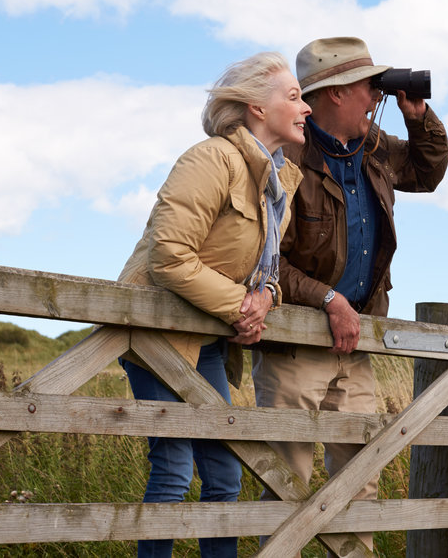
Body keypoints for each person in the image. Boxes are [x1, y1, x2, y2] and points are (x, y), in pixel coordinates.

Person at [251, 36, 448, 554]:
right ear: (336, 93)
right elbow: (268, 258)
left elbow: (426, 172)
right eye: (369, 85)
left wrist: (417, 117)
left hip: (354, 345)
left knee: (360, 479)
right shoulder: (287, 154)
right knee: (283, 480)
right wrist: (328, 300)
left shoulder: (373, 145)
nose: (375, 95)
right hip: (294, 344)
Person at [118, 51, 310, 558]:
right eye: (293, 96)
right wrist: (241, 306)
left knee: (224, 472)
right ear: (254, 107)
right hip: (155, 334)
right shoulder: (211, 159)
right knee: (175, 468)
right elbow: (169, 257)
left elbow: (267, 272)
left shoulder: (278, 182)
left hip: (205, 341)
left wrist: (265, 297)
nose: (305, 107)